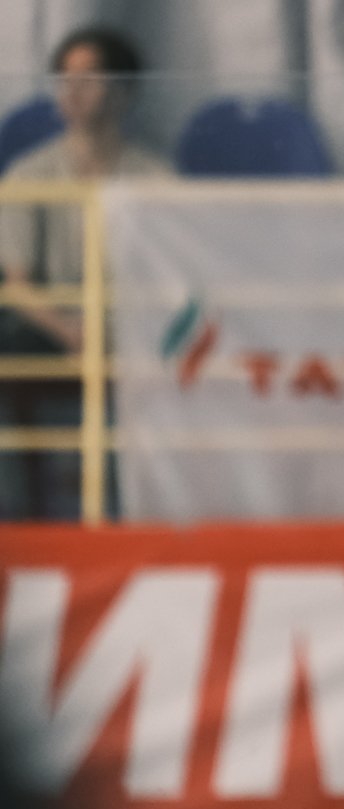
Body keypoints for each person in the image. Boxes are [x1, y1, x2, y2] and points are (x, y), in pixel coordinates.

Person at [0, 26, 166, 518]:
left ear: (123, 90)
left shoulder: (157, 177)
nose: (72, 91)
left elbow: (167, 281)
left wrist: (117, 328)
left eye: (88, 78)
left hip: (133, 330)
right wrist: (70, 329)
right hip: (55, 328)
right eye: (64, 79)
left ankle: (152, 510)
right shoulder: (27, 174)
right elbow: (18, 286)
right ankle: (27, 510)